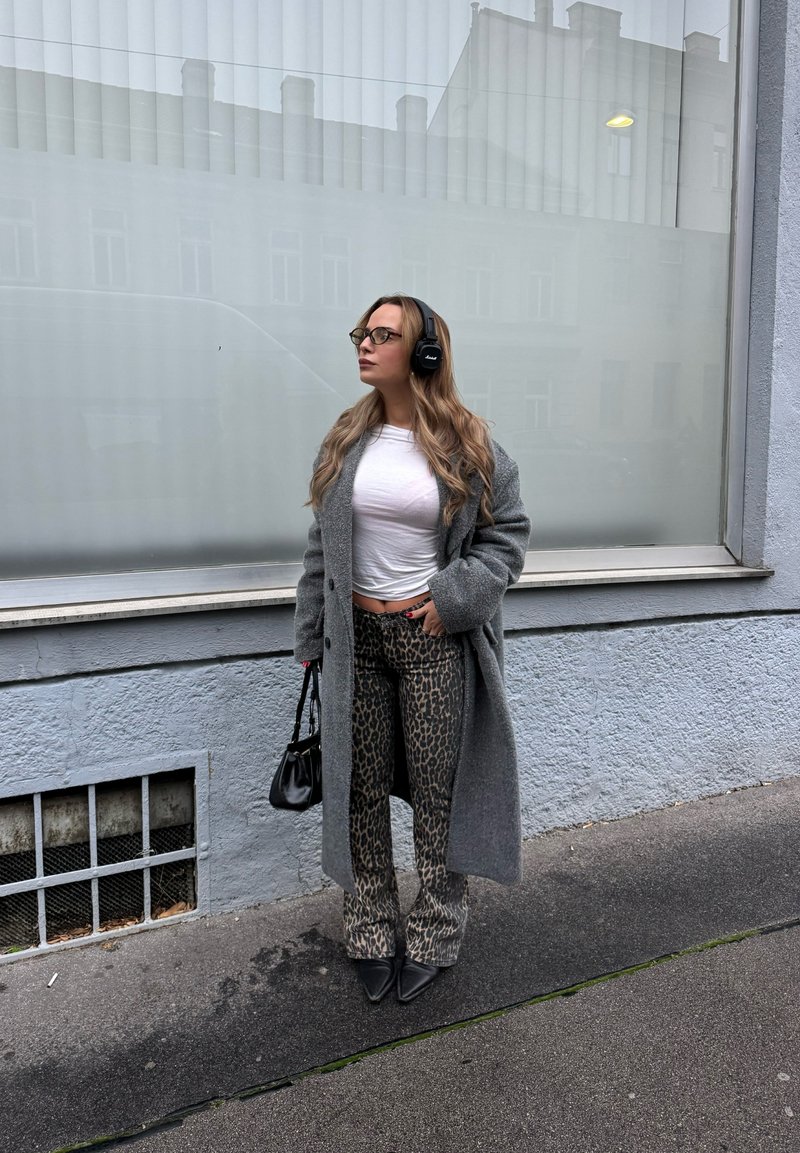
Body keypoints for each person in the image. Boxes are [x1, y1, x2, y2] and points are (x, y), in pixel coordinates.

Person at [294, 294, 530, 1004]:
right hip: (356, 643)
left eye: (383, 333)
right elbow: (320, 549)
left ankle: (434, 931)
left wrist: (451, 601)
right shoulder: (345, 439)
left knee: (437, 796)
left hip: (432, 642)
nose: (365, 344)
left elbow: (506, 539)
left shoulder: (472, 445)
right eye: (362, 332)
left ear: (425, 351)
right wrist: (311, 637)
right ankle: (368, 927)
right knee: (359, 791)